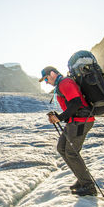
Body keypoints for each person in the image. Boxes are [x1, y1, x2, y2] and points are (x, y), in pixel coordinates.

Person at [39, 66, 97, 196]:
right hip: (75, 121)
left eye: (46, 79)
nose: (46, 82)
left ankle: (89, 186)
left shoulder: (65, 83)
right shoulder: (62, 84)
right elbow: (72, 104)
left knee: (71, 153)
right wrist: (60, 117)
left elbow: (76, 103)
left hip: (81, 121)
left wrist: (59, 117)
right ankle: (82, 178)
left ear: (52, 73)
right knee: (62, 148)